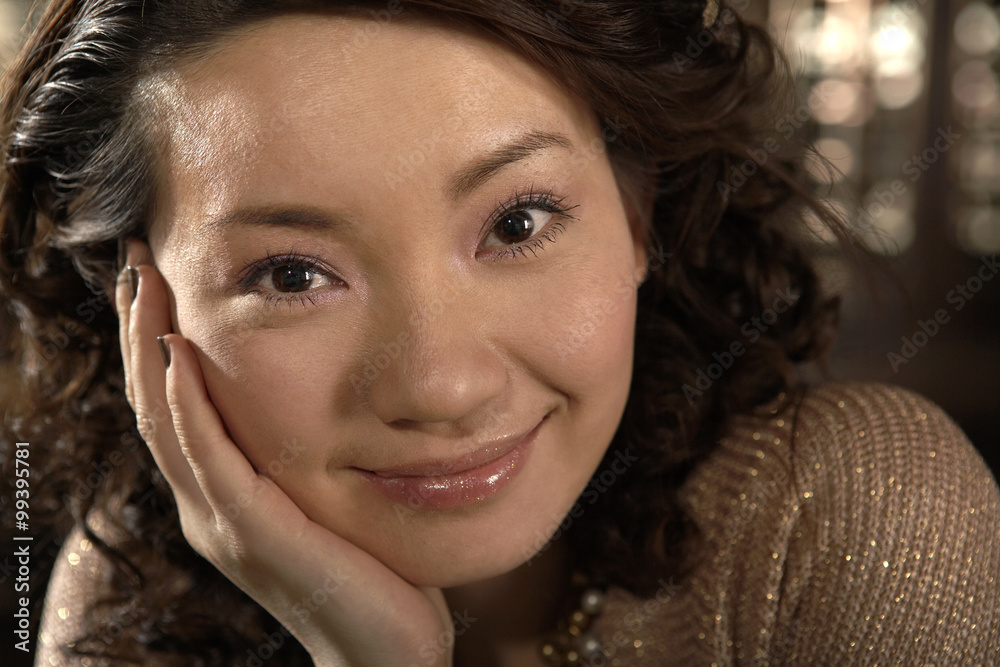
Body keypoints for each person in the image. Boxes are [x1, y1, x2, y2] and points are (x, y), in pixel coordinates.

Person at [1, 0, 996, 665]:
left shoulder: (848, 513)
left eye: (516, 224)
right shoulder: (126, 599)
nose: (442, 385)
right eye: (291, 273)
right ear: (143, 304)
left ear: (636, 214)